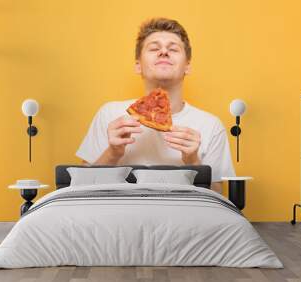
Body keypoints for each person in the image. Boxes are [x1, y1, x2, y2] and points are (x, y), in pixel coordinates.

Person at [75, 17, 235, 193]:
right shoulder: (110, 114)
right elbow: (81, 189)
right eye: (154, 48)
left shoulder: (211, 125)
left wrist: (193, 161)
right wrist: (113, 152)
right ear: (138, 66)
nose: (164, 52)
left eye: (173, 49)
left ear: (187, 66)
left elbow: (218, 196)